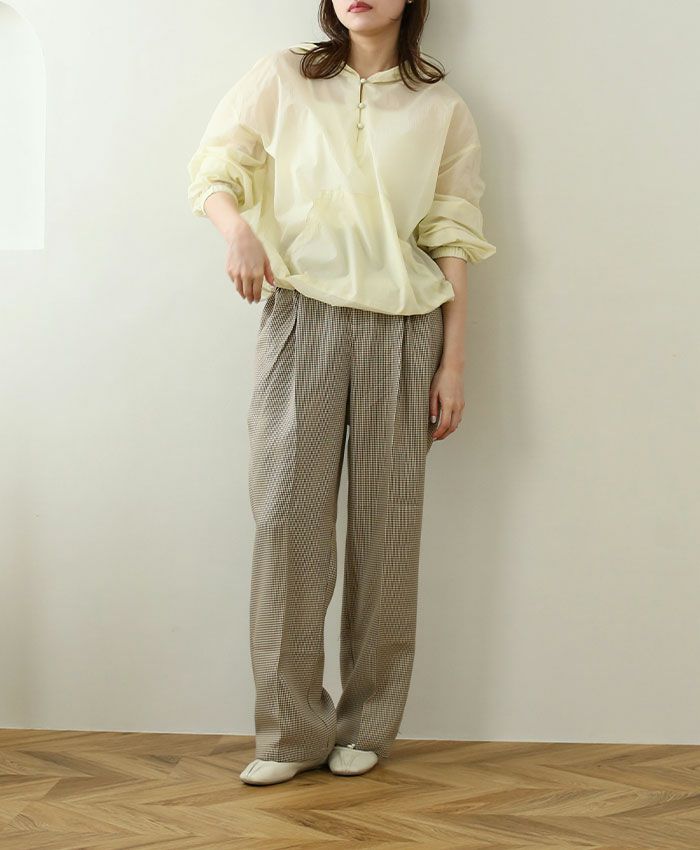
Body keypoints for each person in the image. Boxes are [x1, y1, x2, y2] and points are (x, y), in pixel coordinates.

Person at [186, 0, 496, 786]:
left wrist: (454, 365)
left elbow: (452, 238)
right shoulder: (284, 76)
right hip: (302, 318)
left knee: (387, 536)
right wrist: (238, 231)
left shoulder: (442, 109)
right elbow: (215, 169)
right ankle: (290, 734)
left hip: (406, 330)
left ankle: (367, 726)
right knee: (286, 526)